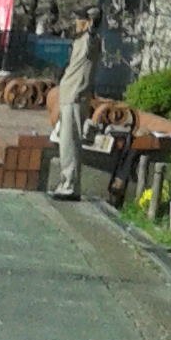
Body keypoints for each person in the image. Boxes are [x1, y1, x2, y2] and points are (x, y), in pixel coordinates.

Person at [48, 14, 100, 201]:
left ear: (88, 22)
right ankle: (66, 182)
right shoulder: (79, 41)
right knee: (66, 142)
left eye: (80, 19)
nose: (76, 23)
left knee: (71, 142)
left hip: (76, 96)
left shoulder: (90, 40)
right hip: (68, 95)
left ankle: (70, 185)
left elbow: (92, 36)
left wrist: (92, 26)